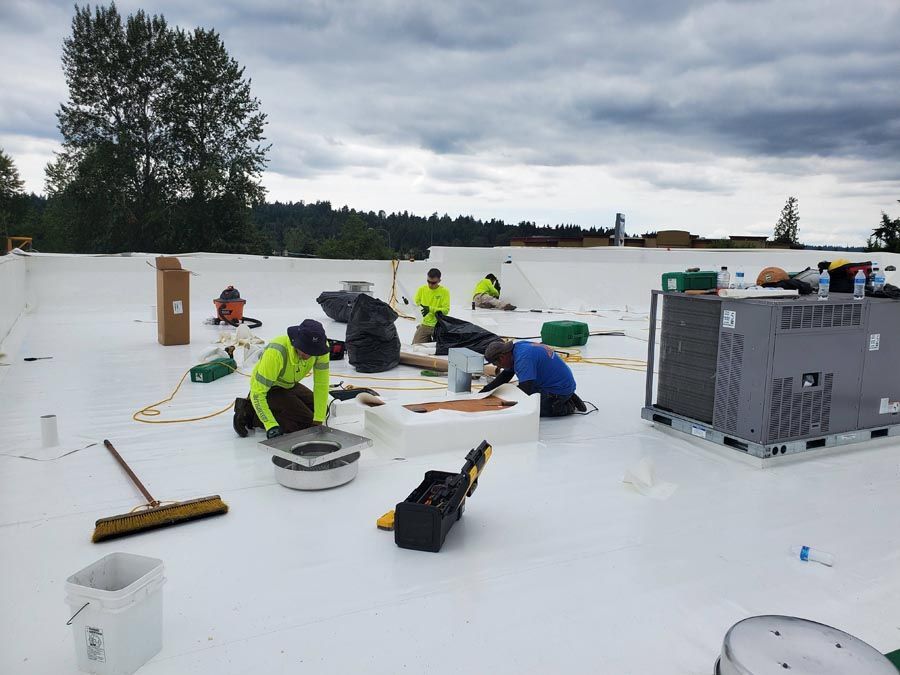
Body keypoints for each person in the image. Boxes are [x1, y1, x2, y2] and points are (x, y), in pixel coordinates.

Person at [232, 319, 330, 438]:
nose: (308, 355)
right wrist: (270, 425)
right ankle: (249, 412)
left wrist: (319, 419)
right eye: (305, 350)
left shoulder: (321, 349)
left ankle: (276, 409)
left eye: (313, 351)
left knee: (322, 411)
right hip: (269, 389)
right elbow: (258, 392)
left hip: (289, 385)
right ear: (296, 342)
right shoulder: (276, 352)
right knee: (304, 423)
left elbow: (321, 384)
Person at [481, 339, 585, 417]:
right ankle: (568, 395)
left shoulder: (523, 359)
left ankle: (566, 406)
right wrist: (486, 390)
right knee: (516, 393)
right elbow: (505, 376)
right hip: (558, 382)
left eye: (496, 364)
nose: (498, 367)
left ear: (502, 357)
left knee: (532, 409)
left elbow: (525, 390)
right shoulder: (517, 349)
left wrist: (504, 404)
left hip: (557, 389)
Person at [412, 267, 450, 344]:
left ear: (439, 281)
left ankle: (429, 339)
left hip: (438, 325)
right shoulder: (421, 290)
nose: (430, 284)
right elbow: (416, 304)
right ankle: (423, 333)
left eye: (433, 283)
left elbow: (446, 311)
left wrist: (430, 309)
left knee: (440, 348)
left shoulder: (444, 292)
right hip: (425, 324)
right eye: (428, 281)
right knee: (415, 347)